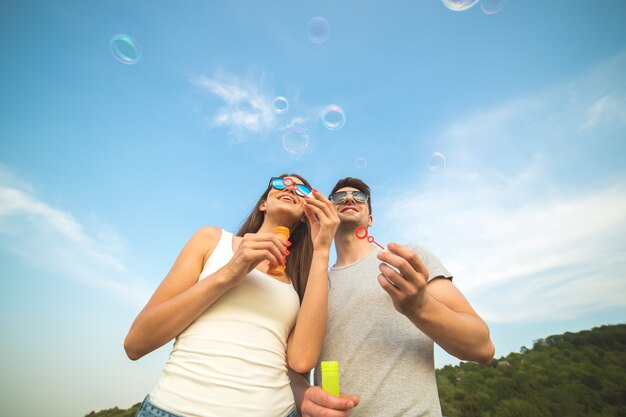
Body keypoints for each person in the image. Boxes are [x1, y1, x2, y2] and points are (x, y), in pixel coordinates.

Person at [124, 174, 339, 417]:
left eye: (300, 188)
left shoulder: (301, 278)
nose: (289, 186)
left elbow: (302, 361)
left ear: (305, 214)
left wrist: (322, 250)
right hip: (175, 408)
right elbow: (136, 343)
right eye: (280, 183)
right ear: (263, 204)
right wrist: (229, 274)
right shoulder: (212, 240)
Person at [289, 177, 495, 417]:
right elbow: (295, 368)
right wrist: (302, 393)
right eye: (338, 197)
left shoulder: (409, 262)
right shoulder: (314, 284)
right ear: (328, 214)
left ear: (371, 219)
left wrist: (419, 306)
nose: (348, 198)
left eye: (359, 197)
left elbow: (482, 349)